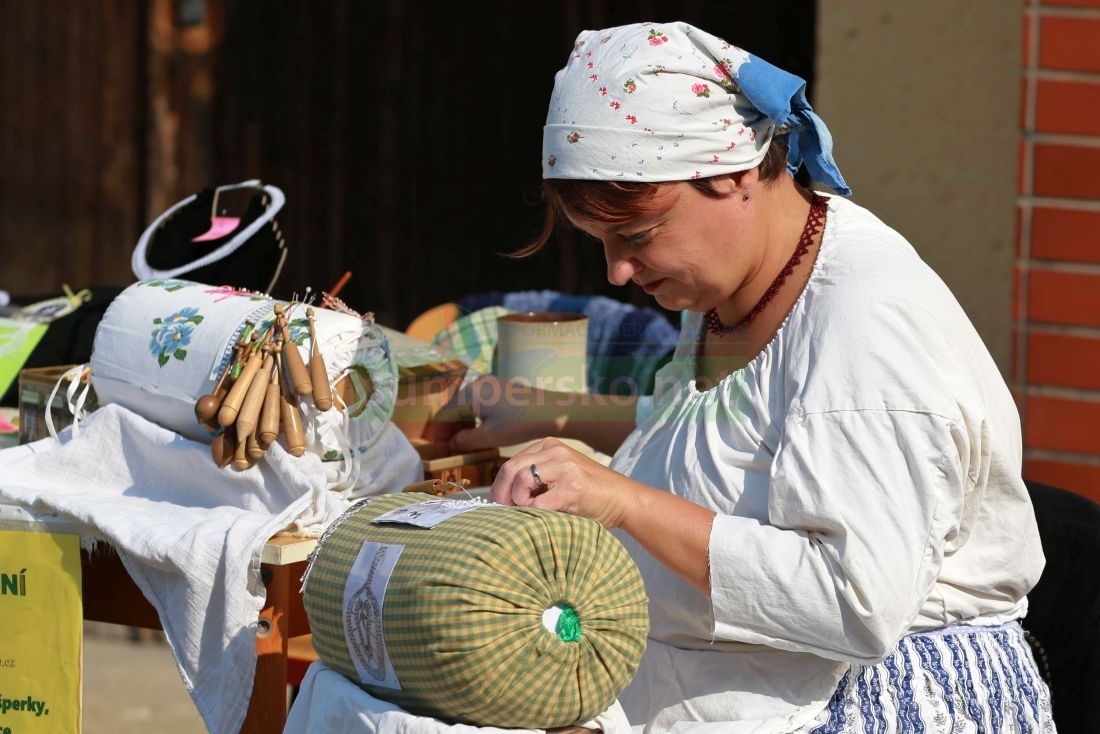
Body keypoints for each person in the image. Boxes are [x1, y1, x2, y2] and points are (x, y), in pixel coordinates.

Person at [430, 20, 1057, 734]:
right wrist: (547, 412)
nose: (618, 272)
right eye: (602, 242)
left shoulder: (866, 326)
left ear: (729, 174)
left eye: (636, 235)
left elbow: (854, 602)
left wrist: (624, 500)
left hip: (870, 705)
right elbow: (724, 434)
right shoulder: (733, 283)